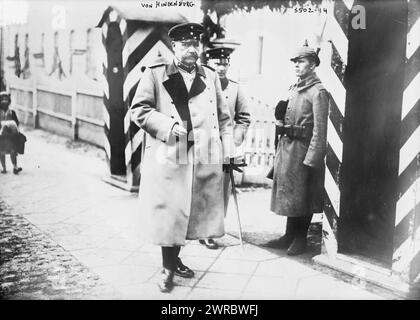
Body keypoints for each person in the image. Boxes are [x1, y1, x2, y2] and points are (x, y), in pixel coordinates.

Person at [129, 23, 235, 293]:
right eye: (185, 44)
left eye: (195, 44)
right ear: (174, 47)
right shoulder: (155, 74)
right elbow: (139, 110)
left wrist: (229, 150)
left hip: (202, 155)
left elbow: (224, 118)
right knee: (170, 211)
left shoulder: (209, 76)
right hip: (169, 154)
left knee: (188, 214)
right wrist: (168, 127)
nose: (192, 49)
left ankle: (174, 261)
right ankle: (168, 268)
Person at [265, 46, 329, 256]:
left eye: (301, 62)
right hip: (288, 148)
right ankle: (288, 235)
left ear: (312, 64)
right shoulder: (295, 88)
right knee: (290, 194)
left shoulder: (318, 92)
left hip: (303, 150)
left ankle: (300, 239)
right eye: (294, 62)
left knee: (303, 196)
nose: (296, 65)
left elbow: (320, 130)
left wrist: (312, 158)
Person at [198, 46, 251, 250]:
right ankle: (198, 227)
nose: (221, 67)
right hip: (202, 145)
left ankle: (211, 231)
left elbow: (244, 117)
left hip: (225, 146)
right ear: (209, 64)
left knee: (221, 190)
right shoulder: (200, 85)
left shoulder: (235, 89)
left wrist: (235, 138)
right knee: (201, 188)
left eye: (224, 63)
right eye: (216, 63)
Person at [0, 91, 26, 174]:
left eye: (6, 100)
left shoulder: (12, 112)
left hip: (10, 135)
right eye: (2, 100)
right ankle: (4, 168)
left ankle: (15, 167)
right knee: (1, 152)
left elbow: (17, 123)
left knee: (13, 151)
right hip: (1, 136)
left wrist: (12, 126)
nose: (4, 102)